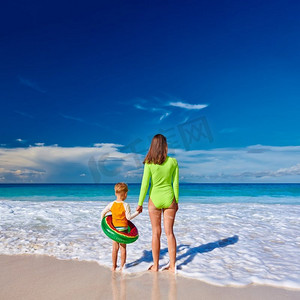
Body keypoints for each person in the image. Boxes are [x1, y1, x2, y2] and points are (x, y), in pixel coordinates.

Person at [137, 134, 179, 272]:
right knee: (169, 233)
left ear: (152, 147)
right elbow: (175, 184)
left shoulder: (149, 163)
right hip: (169, 199)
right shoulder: (173, 162)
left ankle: (156, 266)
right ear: (165, 146)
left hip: (154, 200)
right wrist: (176, 201)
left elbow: (145, 184)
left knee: (156, 233)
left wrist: (140, 203)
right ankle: (172, 266)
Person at [101, 182, 139, 271]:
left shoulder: (111, 204)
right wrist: (137, 212)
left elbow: (102, 213)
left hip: (114, 229)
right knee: (123, 248)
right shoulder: (125, 205)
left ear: (115, 193)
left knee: (115, 248)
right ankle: (122, 267)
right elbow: (128, 218)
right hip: (123, 229)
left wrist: (104, 223)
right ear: (125, 194)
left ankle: (113, 266)